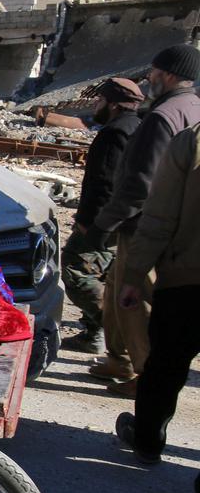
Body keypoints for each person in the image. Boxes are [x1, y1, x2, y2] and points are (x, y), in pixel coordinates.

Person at [87, 44, 200, 395]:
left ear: (166, 74)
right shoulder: (193, 107)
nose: (148, 78)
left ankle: (143, 375)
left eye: (152, 72)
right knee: (117, 295)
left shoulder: (162, 116)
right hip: (176, 225)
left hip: (144, 226)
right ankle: (117, 358)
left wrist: (104, 224)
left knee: (135, 299)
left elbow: (140, 183)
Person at [113, 122, 200, 465]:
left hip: (186, 282)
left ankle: (148, 439)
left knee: (165, 365)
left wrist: (134, 275)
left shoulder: (191, 141)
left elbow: (160, 215)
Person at [60, 78, 143, 355]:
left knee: (75, 271)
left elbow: (105, 183)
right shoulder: (137, 128)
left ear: (114, 105)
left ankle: (110, 329)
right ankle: (94, 334)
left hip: (101, 223)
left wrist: (93, 225)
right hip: (121, 221)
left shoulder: (115, 133)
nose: (96, 105)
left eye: (100, 101)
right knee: (106, 278)